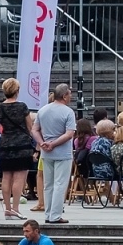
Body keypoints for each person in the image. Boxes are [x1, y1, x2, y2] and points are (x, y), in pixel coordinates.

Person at [32, 83, 77, 225]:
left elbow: (35, 130)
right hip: (62, 152)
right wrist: (54, 143)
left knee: (48, 184)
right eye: (69, 94)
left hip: (46, 152)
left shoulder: (43, 110)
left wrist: (42, 143)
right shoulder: (68, 112)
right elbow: (70, 133)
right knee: (60, 184)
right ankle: (55, 215)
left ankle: (48, 213)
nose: (71, 96)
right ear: (64, 96)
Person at [0, 79, 35, 220]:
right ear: (17, 90)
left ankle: (7, 208)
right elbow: (29, 127)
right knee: (19, 177)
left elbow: (1, 125)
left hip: (5, 143)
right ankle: (16, 208)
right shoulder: (22, 107)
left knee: (6, 177)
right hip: (22, 144)